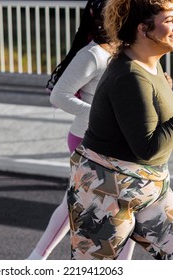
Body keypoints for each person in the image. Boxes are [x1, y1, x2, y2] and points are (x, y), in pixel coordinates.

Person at [67, 0, 173, 260]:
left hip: (152, 188)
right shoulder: (130, 75)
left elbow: (150, 127)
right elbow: (147, 148)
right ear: (143, 30)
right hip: (107, 190)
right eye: (169, 20)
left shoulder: (152, 65)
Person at [27, 0, 137, 260]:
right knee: (76, 203)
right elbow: (59, 95)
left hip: (118, 142)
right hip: (87, 139)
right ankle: (35, 260)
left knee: (129, 205)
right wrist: (96, 114)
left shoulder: (124, 50)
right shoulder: (93, 54)